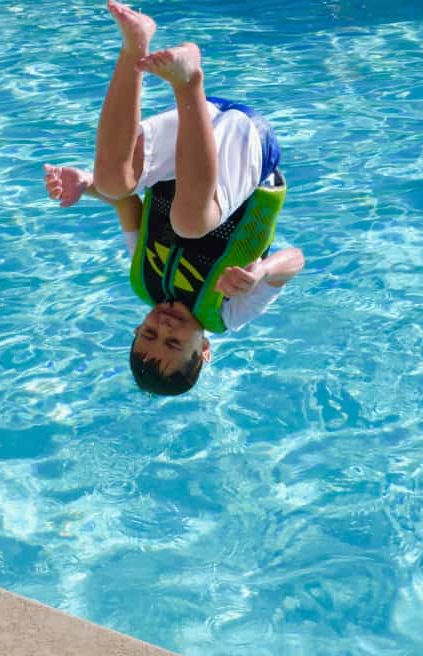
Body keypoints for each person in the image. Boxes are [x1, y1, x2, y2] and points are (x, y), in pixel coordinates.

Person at [43, 1, 304, 395]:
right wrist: (262, 273)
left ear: (137, 327)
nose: (162, 327)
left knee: (115, 183)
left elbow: (126, 204)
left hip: (197, 125)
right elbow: (296, 260)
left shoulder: (144, 281)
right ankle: (188, 78)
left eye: (148, 332)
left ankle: (134, 47)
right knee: (189, 223)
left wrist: (84, 183)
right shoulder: (231, 314)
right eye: (174, 342)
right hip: (246, 144)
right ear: (205, 350)